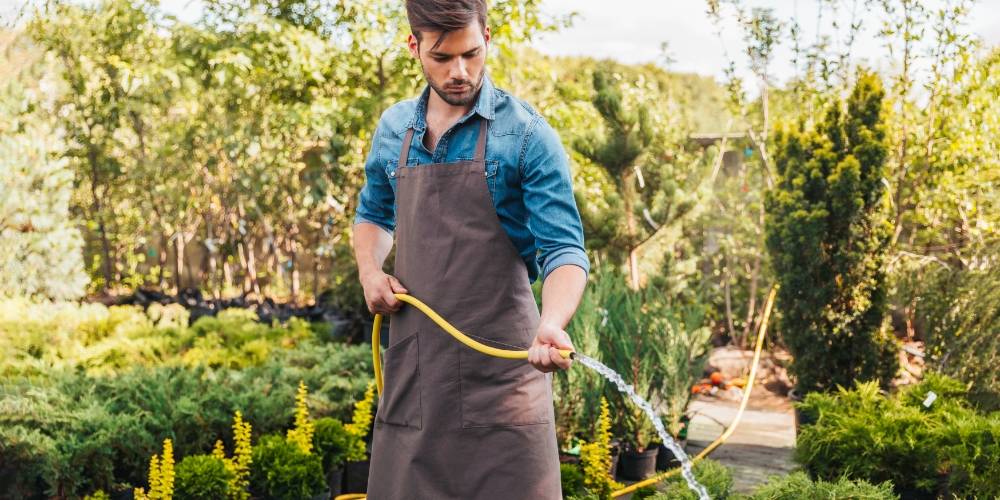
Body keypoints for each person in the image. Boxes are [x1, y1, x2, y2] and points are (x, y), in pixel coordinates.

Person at [352, 1, 589, 497]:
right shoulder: (395, 129)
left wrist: (554, 322)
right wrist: (371, 271)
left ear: (486, 35)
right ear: (414, 46)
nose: (460, 72)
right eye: (442, 57)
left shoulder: (525, 134)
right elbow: (374, 214)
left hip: (504, 383)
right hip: (418, 382)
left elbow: (563, 249)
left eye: (472, 53)